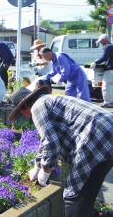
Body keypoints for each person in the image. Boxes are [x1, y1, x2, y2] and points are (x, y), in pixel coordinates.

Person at [8, 86, 113, 217]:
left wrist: (45, 171)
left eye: (20, 112)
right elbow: (47, 139)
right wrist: (37, 164)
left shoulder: (37, 106)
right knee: (88, 189)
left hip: (95, 135)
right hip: (107, 129)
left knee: (74, 194)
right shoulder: (50, 100)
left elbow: (50, 142)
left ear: (24, 106)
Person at [90, 34, 113, 108]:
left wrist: (96, 62)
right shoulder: (111, 46)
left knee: (106, 86)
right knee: (111, 86)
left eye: (101, 41)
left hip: (110, 69)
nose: (100, 43)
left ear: (104, 39)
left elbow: (104, 57)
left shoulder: (108, 47)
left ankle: (108, 102)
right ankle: (111, 101)